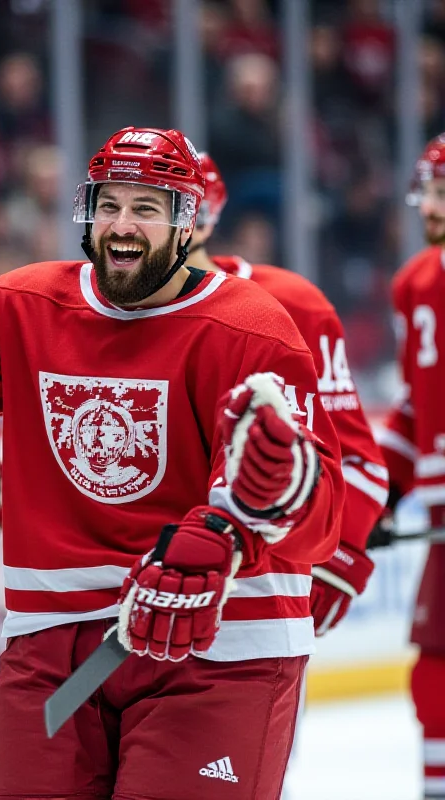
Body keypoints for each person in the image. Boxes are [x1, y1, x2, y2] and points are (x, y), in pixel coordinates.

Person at [0, 127, 344, 800]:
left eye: (147, 208)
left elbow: (316, 521)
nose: (122, 224)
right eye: (110, 204)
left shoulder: (253, 330)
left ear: (185, 223)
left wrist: (246, 519)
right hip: (55, 656)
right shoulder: (24, 305)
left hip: (218, 649)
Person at [190, 152, 388, 635]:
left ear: (206, 217)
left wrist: (341, 554)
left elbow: (356, 458)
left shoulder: (292, 302)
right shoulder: (101, 312)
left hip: (253, 597)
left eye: (159, 206)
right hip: (133, 588)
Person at [375, 133, 445, 800]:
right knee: (436, 656)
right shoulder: (415, 283)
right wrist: (382, 493)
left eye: (441, 190)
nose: (429, 204)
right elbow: (411, 408)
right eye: (426, 189)